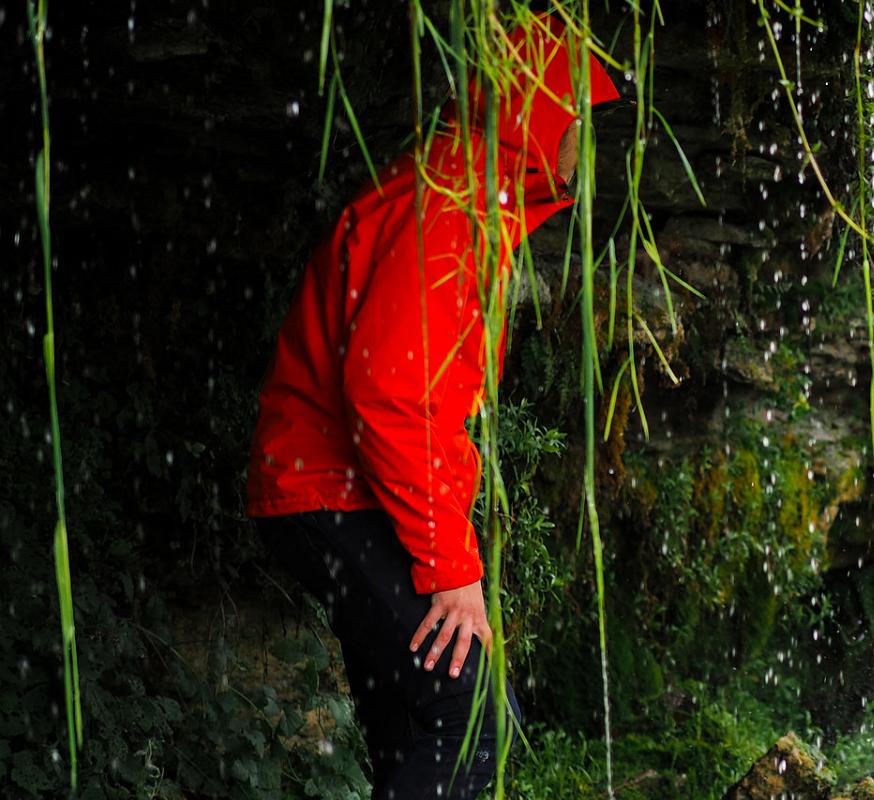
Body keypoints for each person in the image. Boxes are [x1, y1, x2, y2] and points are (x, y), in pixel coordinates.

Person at [245, 15, 616, 798]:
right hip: (330, 491)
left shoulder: (466, 194)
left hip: (335, 493)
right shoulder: (451, 208)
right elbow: (389, 392)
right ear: (534, 106)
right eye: (578, 107)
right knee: (471, 718)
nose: (587, 131)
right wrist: (451, 568)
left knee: (420, 724)